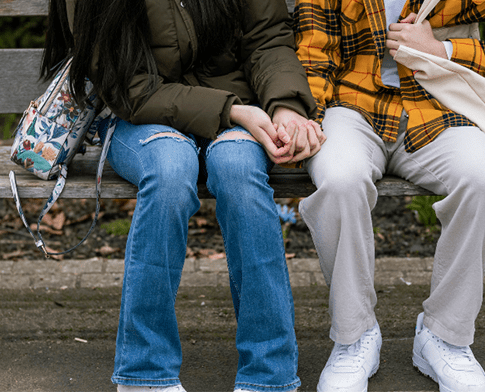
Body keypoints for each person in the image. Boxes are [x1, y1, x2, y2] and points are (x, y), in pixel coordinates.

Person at [42, 1, 326, 391]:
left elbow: (268, 38)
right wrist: (234, 112)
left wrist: (285, 107)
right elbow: (127, 86)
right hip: (141, 116)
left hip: (241, 105)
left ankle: (269, 376)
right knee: (170, 171)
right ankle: (145, 374)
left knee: (239, 170)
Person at [294, 0, 485, 390]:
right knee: (339, 180)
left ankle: (444, 337)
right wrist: (307, 119)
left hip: (437, 104)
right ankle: (354, 337)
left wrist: (446, 50)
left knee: (484, 180)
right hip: (350, 105)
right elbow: (312, 55)